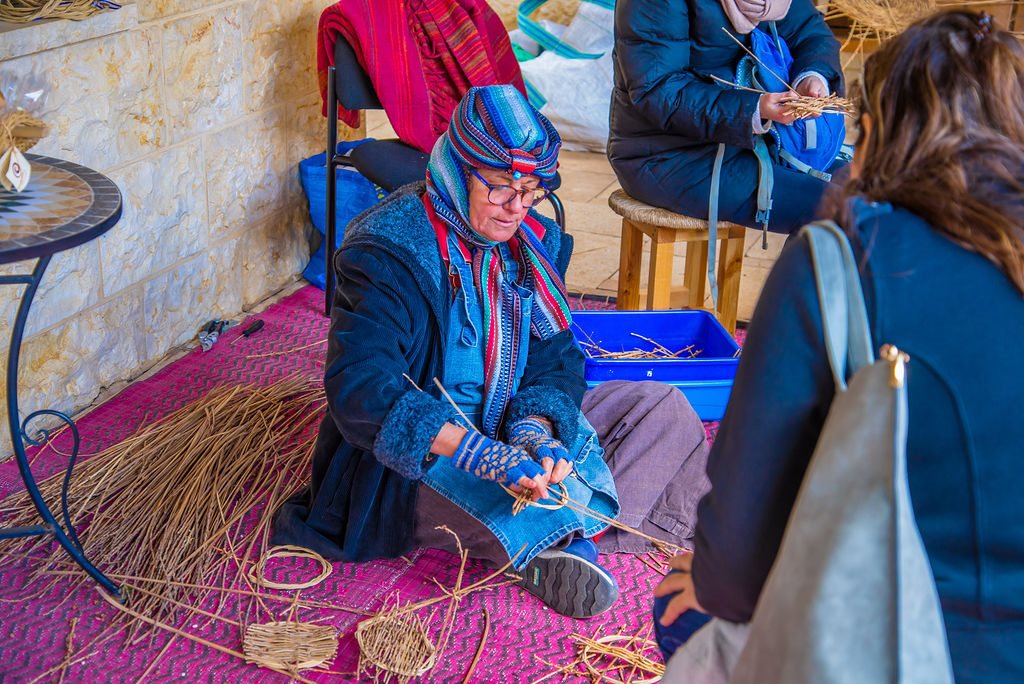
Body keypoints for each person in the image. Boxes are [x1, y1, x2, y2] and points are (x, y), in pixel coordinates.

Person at [652, 10, 1024, 682]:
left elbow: (733, 560)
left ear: (880, 132)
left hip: (908, 643)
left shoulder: (844, 254)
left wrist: (713, 581)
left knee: (685, 608)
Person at [274, 84, 713, 619]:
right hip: (429, 456)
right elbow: (360, 392)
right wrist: (480, 454)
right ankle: (572, 532)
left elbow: (555, 355)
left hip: (509, 422)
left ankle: (561, 535)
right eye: (501, 187)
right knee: (536, 496)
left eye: (530, 190)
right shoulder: (387, 250)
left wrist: (535, 430)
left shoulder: (531, 243)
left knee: (662, 407)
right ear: (459, 170)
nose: (516, 207)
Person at [608, 0, 844, 234]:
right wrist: (755, 108)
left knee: (872, 191)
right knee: (840, 214)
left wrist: (812, 76)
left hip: (756, 141)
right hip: (670, 155)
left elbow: (810, 32)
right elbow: (658, 90)